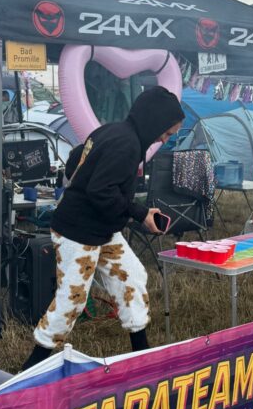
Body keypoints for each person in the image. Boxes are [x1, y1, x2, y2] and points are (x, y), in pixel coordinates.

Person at [22, 86, 185, 369]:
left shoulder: (111, 131)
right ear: (154, 121)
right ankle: (30, 368)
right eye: (167, 132)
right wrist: (140, 214)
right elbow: (101, 191)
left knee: (131, 277)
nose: (164, 139)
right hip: (77, 231)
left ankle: (140, 353)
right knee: (72, 300)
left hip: (103, 229)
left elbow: (75, 161)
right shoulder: (127, 145)